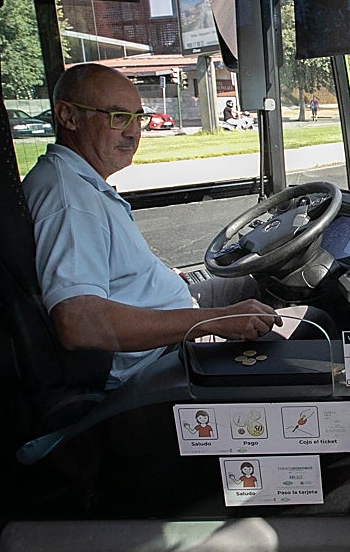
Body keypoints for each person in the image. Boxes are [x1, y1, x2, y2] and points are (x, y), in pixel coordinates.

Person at [22, 62, 282, 389]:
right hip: (156, 361)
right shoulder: (69, 199)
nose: (133, 132)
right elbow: (78, 322)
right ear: (69, 117)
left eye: (137, 118)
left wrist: (157, 278)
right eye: (118, 117)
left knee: (255, 283)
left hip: (168, 324)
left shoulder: (76, 180)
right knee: (308, 324)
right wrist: (213, 321)